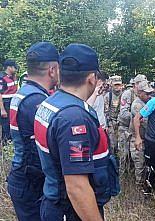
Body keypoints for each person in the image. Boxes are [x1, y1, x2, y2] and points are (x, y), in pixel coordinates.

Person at [34, 43, 119, 220]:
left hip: (55, 203)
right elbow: (77, 187)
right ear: (92, 78)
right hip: (70, 210)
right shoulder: (74, 118)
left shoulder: (52, 102)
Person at [7, 42, 59, 221]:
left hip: (22, 176)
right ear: (52, 69)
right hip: (30, 183)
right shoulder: (36, 100)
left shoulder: (25, 92)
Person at [118, 74, 147, 171]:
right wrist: (136, 117)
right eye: (139, 83)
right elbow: (123, 113)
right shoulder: (128, 94)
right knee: (124, 154)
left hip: (138, 130)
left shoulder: (146, 94)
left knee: (138, 156)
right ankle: (122, 174)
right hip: (125, 128)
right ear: (134, 85)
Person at [129, 81, 153, 186]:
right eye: (146, 94)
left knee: (146, 164)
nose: (149, 96)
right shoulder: (137, 105)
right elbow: (146, 123)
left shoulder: (149, 102)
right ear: (139, 93)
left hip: (146, 139)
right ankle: (139, 187)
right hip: (137, 139)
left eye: (150, 93)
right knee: (140, 164)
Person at [0, 59, 19, 142]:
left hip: (13, 103)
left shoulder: (14, 77)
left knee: (12, 124)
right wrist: (2, 110)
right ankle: (5, 145)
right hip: (5, 104)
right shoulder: (2, 78)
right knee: (6, 127)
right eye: (14, 67)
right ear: (9, 67)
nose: (16, 69)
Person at [104, 75, 123, 153]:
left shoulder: (124, 95)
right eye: (116, 85)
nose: (117, 87)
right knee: (112, 143)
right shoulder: (108, 96)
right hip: (111, 122)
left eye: (119, 84)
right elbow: (106, 111)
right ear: (111, 85)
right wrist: (108, 124)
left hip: (121, 122)